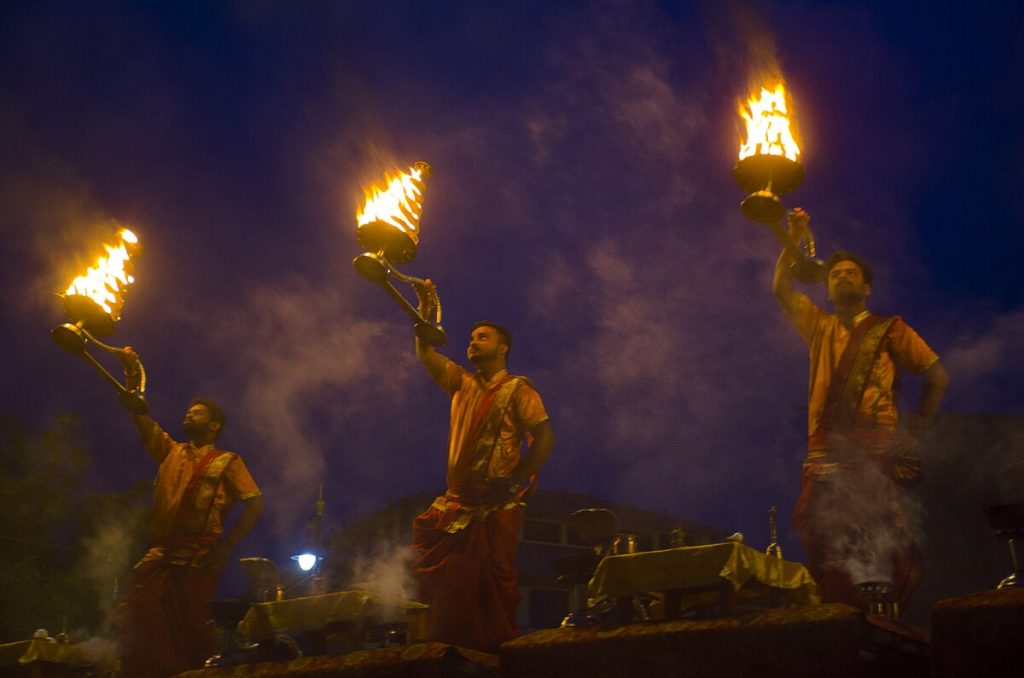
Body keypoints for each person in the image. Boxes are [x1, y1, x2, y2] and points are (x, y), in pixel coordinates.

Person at [773, 209, 948, 612]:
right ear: (828, 290)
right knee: (825, 541)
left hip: (875, 454)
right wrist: (793, 235)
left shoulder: (891, 328)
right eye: (835, 274)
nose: (842, 277)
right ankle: (841, 623)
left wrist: (917, 431)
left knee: (882, 540)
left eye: (851, 273)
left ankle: (885, 620)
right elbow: (781, 288)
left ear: (866, 287)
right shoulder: (818, 327)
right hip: (823, 457)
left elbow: (937, 376)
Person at [410, 282, 555, 653]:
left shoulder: (519, 390)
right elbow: (426, 351)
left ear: (502, 347)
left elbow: (545, 437)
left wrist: (515, 480)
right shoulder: (460, 382)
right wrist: (425, 309)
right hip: (456, 505)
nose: (472, 342)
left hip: (496, 507)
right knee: (450, 591)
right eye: (471, 337)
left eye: (482, 337)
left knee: (493, 586)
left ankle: (494, 660)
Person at [112, 349, 264, 677]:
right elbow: (143, 421)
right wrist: (132, 385)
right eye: (188, 412)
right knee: (137, 611)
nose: (188, 416)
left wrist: (225, 547)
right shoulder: (171, 451)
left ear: (213, 424)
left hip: (200, 555)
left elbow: (255, 504)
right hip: (161, 554)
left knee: (192, 626)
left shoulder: (229, 460)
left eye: (196, 414)